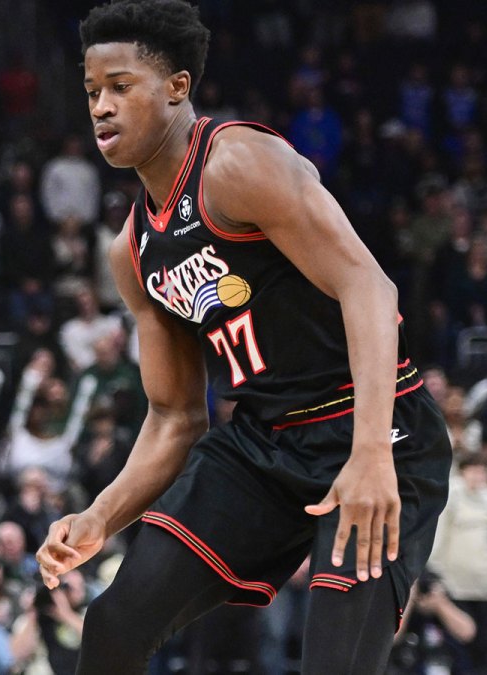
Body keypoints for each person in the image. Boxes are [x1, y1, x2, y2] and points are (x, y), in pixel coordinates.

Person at [35, 2, 452, 673]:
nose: (101, 107)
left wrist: (371, 451)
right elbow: (175, 416)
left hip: (373, 427)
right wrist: (100, 515)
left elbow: (370, 288)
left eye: (120, 86)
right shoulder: (131, 252)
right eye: (91, 92)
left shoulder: (239, 164)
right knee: (113, 621)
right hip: (263, 441)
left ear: (177, 87)